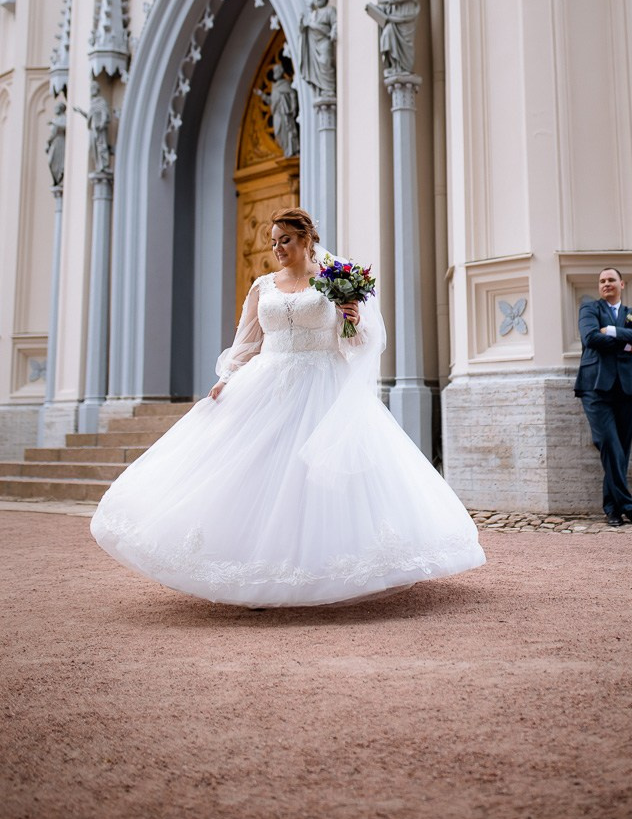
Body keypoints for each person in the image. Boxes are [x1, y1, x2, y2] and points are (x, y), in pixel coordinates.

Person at [91, 208, 485, 607]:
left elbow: (357, 343)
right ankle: (252, 566)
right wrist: (227, 378)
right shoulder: (263, 286)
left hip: (322, 385)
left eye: (286, 240)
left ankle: (326, 566)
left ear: (306, 240)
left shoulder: (336, 282)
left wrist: (353, 320)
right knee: (255, 471)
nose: (278, 248)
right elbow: (246, 341)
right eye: (274, 241)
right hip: (266, 386)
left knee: (314, 477)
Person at [574, 267, 632, 527]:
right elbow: (591, 338)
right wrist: (629, 344)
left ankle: (612, 509)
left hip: (628, 388)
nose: (606, 284)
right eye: (601, 281)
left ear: (622, 283)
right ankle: (629, 507)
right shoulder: (589, 309)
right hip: (595, 387)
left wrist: (614, 332)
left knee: (622, 451)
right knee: (609, 444)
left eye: (611, 280)